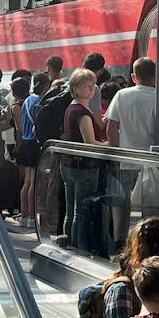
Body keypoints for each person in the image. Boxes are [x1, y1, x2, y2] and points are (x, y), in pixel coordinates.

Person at [58, 70, 105, 245]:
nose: (91, 90)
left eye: (93, 85)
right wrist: (110, 145)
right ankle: (80, 246)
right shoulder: (83, 113)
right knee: (81, 211)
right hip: (84, 166)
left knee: (71, 210)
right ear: (75, 88)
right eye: (87, 86)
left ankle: (68, 242)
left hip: (68, 164)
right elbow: (90, 142)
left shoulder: (71, 107)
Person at [105, 57, 159, 151]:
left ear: (133, 77)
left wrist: (119, 153)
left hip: (128, 158)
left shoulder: (121, 95)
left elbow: (111, 129)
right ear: (155, 76)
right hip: (155, 158)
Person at [10, 75, 41, 229]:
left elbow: (19, 129)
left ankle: (24, 215)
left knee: (26, 182)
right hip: (33, 143)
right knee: (32, 182)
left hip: (25, 144)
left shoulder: (21, 105)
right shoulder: (34, 102)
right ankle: (30, 216)